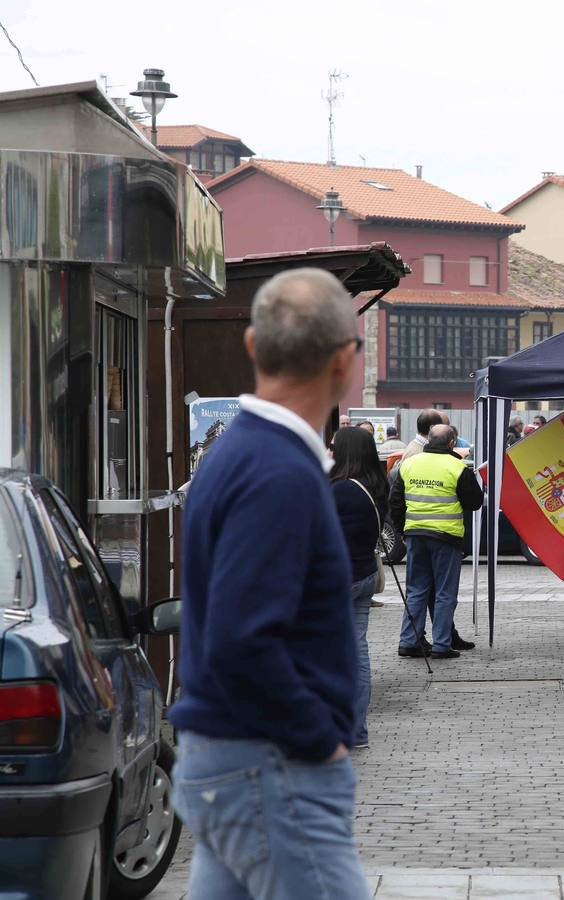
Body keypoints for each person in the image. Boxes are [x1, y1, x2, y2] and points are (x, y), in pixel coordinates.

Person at [169, 268, 369, 897]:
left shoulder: (234, 455)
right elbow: (243, 640)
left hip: (236, 756)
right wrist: (321, 742)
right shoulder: (279, 472)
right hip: (273, 761)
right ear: (346, 362)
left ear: (253, 346)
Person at [390, 424, 484, 659]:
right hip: (446, 538)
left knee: (416, 590)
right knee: (444, 593)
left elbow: (395, 501)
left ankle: (409, 641)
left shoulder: (409, 464)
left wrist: (403, 530)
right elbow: (475, 502)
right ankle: (442, 645)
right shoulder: (457, 467)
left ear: (428, 440)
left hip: (415, 535)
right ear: (452, 442)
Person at [330, 425, 387, 750]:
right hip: (364, 575)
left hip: (337, 581)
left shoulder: (339, 490)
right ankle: (357, 732)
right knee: (358, 654)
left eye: (335, 446)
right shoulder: (375, 485)